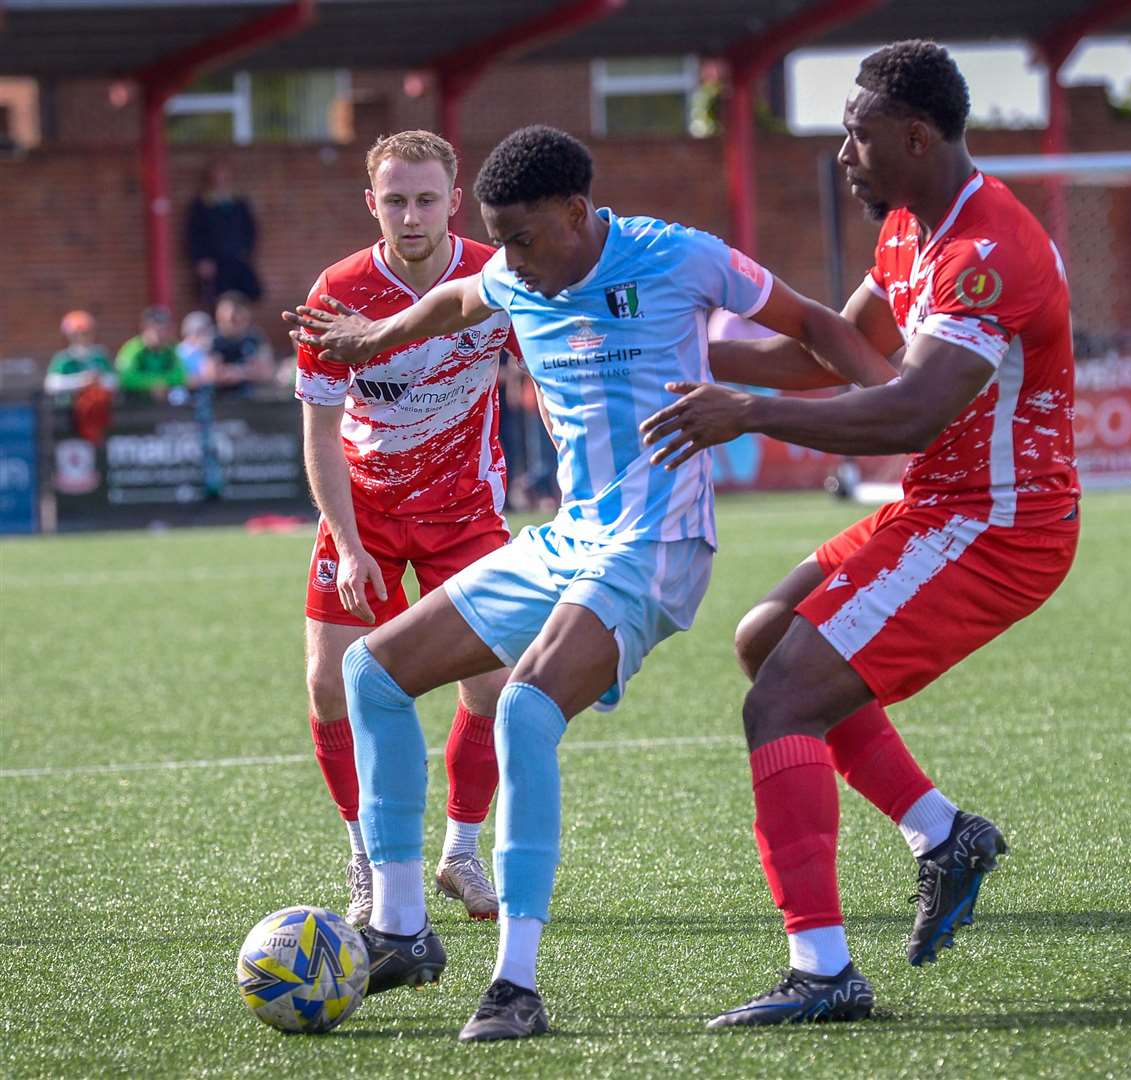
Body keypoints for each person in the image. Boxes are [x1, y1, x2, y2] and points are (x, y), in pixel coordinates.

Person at [283, 124, 882, 1041]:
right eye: (500, 243)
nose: (511, 263)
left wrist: (892, 400)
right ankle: (400, 927)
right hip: (569, 538)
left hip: (660, 541)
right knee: (370, 671)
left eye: (522, 239)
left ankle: (515, 985)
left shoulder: (678, 255)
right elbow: (451, 306)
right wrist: (371, 336)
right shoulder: (514, 273)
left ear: (575, 212)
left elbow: (809, 324)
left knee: (523, 709)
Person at [640, 40, 1080, 1027]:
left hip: (999, 527)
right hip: (939, 509)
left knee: (782, 701)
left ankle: (824, 971)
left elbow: (906, 413)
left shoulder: (986, 255)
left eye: (856, 133)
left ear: (914, 137)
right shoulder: (909, 232)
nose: (842, 152)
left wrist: (744, 412)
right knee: (763, 643)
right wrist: (655, 338)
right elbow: (831, 357)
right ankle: (941, 835)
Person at [293, 130, 519, 929]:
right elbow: (320, 433)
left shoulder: (498, 276)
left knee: (494, 686)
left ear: (454, 202)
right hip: (368, 516)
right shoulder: (337, 292)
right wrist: (348, 543)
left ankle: (460, 851)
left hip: (465, 514)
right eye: (395, 200)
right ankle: (363, 859)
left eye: (426, 199)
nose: (411, 215)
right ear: (372, 203)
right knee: (327, 687)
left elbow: (546, 373)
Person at [187, 159, 262, 309]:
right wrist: (201, 259)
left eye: (224, 175)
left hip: (237, 259)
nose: (221, 180)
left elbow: (250, 230)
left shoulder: (239, 203)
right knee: (216, 300)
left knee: (247, 296)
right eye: (217, 176)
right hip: (214, 263)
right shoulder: (201, 204)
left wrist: (245, 251)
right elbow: (194, 234)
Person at [206, 291, 275, 393]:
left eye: (235, 314)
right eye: (226, 315)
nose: (231, 318)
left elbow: (266, 372)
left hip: (254, 400)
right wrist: (248, 371)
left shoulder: (256, 338)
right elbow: (211, 374)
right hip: (220, 401)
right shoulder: (213, 340)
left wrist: (237, 373)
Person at [115, 306, 187, 400]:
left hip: (165, 406)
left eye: (165, 329)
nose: (162, 333)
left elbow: (181, 375)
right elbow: (125, 377)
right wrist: (152, 384)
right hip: (135, 405)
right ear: (145, 327)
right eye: (156, 329)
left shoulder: (171, 349)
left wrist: (162, 382)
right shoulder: (132, 349)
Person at [45, 310, 115, 398]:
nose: (82, 338)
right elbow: (52, 385)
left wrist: (99, 380)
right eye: (76, 334)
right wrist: (81, 381)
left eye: (86, 333)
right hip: (69, 407)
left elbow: (113, 381)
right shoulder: (63, 358)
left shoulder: (100, 356)